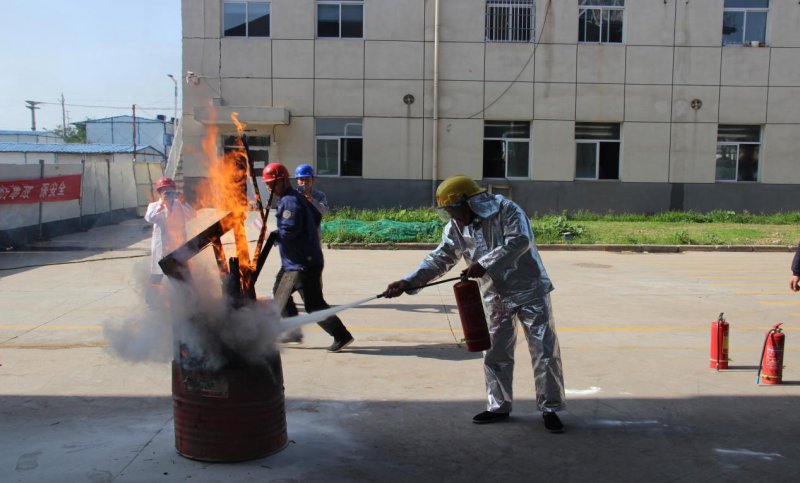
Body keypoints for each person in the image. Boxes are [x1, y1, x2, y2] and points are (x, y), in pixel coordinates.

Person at [384, 174, 566, 433]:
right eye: (446, 212)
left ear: (469, 202)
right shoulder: (456, 227)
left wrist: (484, 263)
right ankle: (499, 405)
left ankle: (550, 408)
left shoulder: (507, 210)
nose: (451, 216)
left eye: (453, 209)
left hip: (530, 291)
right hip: (496, 296)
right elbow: (440, 258)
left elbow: (520, 241)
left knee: (544, 352)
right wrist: (409, 282)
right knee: (494, 353)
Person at [263, 163, 354, 353]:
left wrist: (273, 235)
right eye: (267, 185)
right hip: (296, 260)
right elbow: (315, 217)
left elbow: (289, 230)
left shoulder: (291, 201)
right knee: (280, 293)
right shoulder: (296, 198)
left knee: (313, 305)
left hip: (303, 263)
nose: (269, 188)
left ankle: (341, 335)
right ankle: (293, 330)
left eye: (271, 184)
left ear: (282, 181)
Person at [280, 164, 330, 344]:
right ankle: (294, 329)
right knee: (281, 292)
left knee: (312, 297)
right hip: (294, 251)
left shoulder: (318, 196)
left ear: (312, 180)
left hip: (311, 249)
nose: (303, 182)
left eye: (307, 179)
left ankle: (338, 332)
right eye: (300, 179)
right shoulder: (292, 196)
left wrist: (310, 201)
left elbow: (323, 211)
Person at [144, 177, 196, 307]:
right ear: (160, 192)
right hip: (161, 247)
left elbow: (192, 215)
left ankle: (191, 301)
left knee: (184, 273)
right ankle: (150, 302)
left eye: (170, 190)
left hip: (178, 246)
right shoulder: (154, 206)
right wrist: (162, 205)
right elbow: (150, 218)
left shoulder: (180, 205)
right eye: (165, 191)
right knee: (157, 275)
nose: (168, 193)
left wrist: (184, 202)